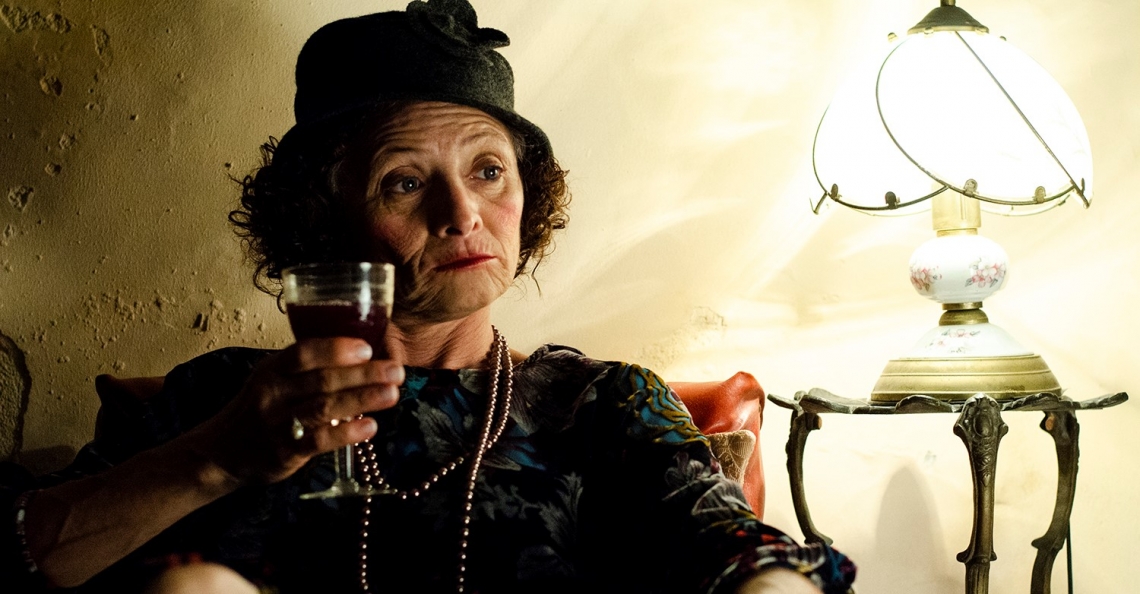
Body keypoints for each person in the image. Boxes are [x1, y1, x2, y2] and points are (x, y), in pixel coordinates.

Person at [1, 1, 857, 593]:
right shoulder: (220, 398)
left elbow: (737, 551)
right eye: (405, 182)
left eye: (488, 170)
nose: (462, 213)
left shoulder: (599, 405)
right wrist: (214, 459)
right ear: (321, 218)